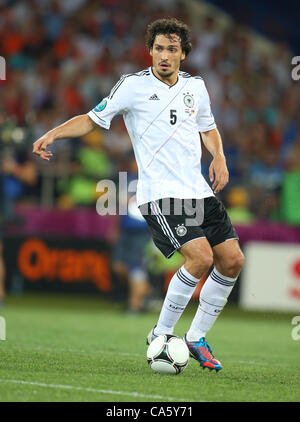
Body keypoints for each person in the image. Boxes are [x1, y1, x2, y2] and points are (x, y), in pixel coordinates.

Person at [33, 18, 244, 372]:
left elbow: (208, 127)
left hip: (198, 190)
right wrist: (54, 133)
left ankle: (196, 337)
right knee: (200, 258)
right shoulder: (131, 87)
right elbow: (92, 118)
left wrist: (219, 156)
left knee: (233, 260)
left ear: (183, 54)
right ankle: (160, 335)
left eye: (171, 49)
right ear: (150, 51)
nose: (164, 55)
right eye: (159, 48)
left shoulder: (197, 87)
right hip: (161, 193)